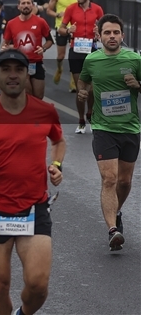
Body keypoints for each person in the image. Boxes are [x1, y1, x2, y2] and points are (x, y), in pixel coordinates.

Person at [0, 49, 64, 315]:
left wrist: (56, 165)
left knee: (38, 285)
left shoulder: (45, 111)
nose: (13, 75)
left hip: (34, 208)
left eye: (19, 69)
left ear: (27, 74)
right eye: (6, 69)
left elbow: (58, 141)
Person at [76, 14, 140, 251]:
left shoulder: (135, 59)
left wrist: (137, 85)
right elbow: (83, 83)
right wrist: (82, 93)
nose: (111, 37)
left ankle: (116, 211)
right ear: (99, 35)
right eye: (107, 33)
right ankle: (113, 229)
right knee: (110, 178)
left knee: (124, 181)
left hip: (130, 128)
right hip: (103, 128)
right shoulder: (92, 60)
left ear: (122, 35)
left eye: (115, 33)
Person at [62, 0, 105, 133]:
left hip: (92, 50)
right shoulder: (71, 9)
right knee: (80, 89)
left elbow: (104, 28)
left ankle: (90, 114)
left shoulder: (97, 9)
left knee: (92, 89)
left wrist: (99, 32)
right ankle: (81, 120)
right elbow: (61, 29)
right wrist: (68, 30)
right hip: (76, 50)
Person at [2, 0, 54, 99]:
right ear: (18, 6)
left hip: (36, 63)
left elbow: (50, 40)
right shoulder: (11, 23)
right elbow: (5, 44)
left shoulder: (41, 22)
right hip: (20, 64)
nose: (26, 5)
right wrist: (7, 49)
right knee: (28, 94)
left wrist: (43, 48)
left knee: (38, 96)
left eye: (28, 3)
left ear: (32, 5)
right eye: (23, 3)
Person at [47, 0, 78, 89]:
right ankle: (59, 69)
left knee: (74, 55)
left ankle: (73, 82)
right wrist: (57, 14)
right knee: (61, 55)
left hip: (74, 27)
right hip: (61, 27)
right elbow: (49, 10)